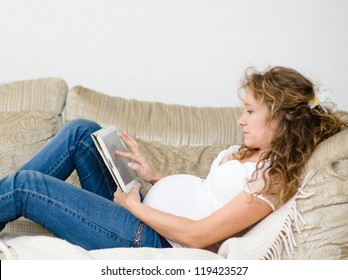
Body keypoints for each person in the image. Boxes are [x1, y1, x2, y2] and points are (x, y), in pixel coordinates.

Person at [0, 66, 346, 252]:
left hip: (147, 237)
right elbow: (205, 198)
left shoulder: (273, 177)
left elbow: (198, 235)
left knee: (24, 186)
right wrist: (153, 174)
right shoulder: (256, 154)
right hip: (144, 215)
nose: (241, 119)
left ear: (281, 118)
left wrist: (135, 207)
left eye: (250, 111)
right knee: (82, 131)